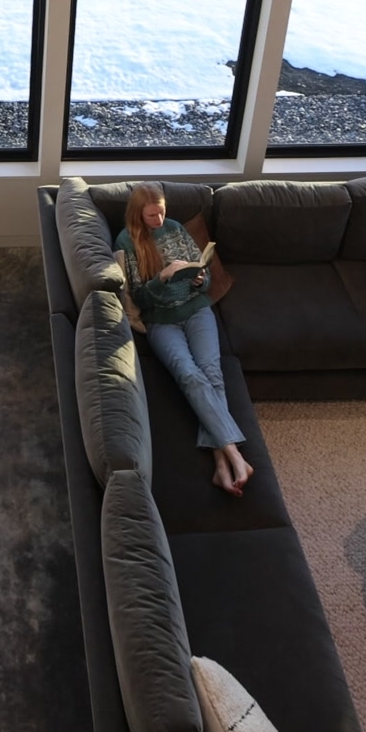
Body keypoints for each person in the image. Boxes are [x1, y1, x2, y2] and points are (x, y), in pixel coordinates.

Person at [114, 180, 253, 496]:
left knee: (212, 373)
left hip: (196, 311)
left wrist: (201, 279)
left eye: (161, 213)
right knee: (189, 374)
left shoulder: (176, 228)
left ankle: (221, 465)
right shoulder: (126, 241)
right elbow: (141, 300)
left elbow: (200, 278)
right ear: (138, 214)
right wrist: (162, 279)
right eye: (152, 216)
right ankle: (234, 454)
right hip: (162, 322)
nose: (159, 221)